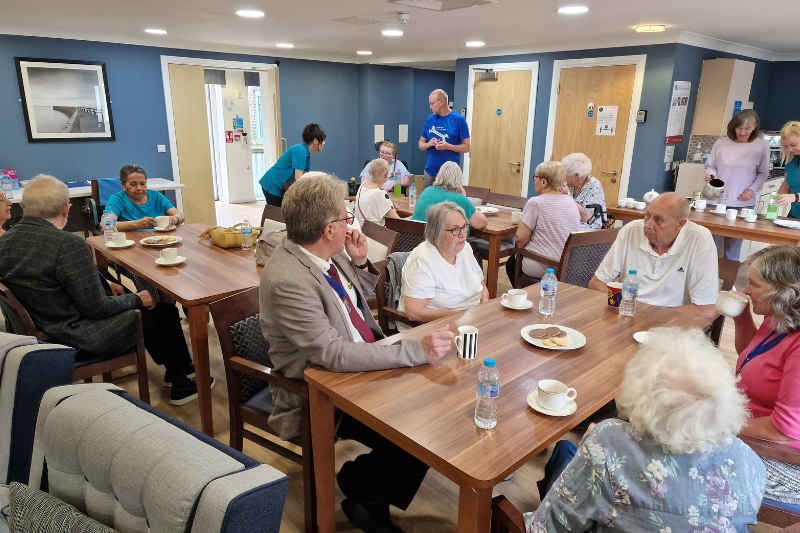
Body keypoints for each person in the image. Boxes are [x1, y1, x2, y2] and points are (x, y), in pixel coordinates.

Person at [259, 173, 454, 533]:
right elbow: (332, 355)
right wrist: (413, 351)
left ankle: (363, 484)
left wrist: (361, 262)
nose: (351, 223)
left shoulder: (321, 253)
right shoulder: (288, 278)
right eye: (345, 217)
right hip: (321, 390)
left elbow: (349, 303)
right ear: (328, 228)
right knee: (420, 431)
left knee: (437, 410)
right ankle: (367, 495)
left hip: (361, 360)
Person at [524, 327, 765, 532]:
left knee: (568, 455)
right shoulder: (750, 464)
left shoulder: (607, 443)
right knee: (568, 452)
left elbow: (546, 528)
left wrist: (596, 449)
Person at [0, 176, 205, 405]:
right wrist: (137, 298)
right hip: (72, 333)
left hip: (41, 324)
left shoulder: (5, 241)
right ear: (67, 210)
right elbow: (97, 308)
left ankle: (178, 371)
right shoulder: (67, 244)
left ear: (24, 206)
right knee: (159, 309)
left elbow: (47, 279)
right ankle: (180, 383)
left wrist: (106, 285)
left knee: (151, 308)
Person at [732, 245, 800, 512]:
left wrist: (721, 423)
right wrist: (740, 317)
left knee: (681, 459)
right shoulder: (780, 315)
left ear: (785, 292)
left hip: (785, 460)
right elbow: (752, 354)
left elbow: (784, 430)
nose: (746, 291)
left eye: (753, 284)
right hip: (753, 430)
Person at [588, 192, 718, 323]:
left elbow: (706, 312)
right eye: (647, 216)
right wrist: (631, 310)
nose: (648, 225)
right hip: (626, 317)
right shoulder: (631, 231)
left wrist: (648, 316)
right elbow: (596, 283)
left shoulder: (699, 240)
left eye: (658, 220)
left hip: (672, 323)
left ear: (680, 224)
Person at [398, 202, 488, 331]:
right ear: (436, 232)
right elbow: (414, 312)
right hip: (437, 329)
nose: (463, 234)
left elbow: (481, 285)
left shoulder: (465, 248)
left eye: (464, 227)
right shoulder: (424, 259)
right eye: (455, 229)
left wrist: (484, 306)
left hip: (472, 321)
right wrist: (462, 317)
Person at [704, 109, 770, 260]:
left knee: (733, 248)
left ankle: (727, 282)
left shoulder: (761, 147)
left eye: (747, 128)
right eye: (739, 128)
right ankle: (708, 280)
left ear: (755, 127)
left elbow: (763, 173)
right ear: (733, 126)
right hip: (716, 200)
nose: (743, 132)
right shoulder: (721, 143)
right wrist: (711, 174)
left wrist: (752, 190)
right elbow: (710, 165)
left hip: (743, 203)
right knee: (710, 246)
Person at [505, 161, 580, 283]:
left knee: (511, 264)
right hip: (567, 266)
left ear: (544, 182)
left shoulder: (536, 202)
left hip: (544, 266)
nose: (534, 181)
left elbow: (521, 238)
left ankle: (526, 298)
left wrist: (520, 252)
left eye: (536, 178)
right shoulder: (571, 202)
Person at [259, 123, 326, 207]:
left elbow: (305, 175)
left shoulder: (306, 153)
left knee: (283, 214)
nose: (324, 143)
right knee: (277, 215)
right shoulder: (300, 151)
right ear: (315, 141)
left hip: (278, 186)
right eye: (322, 140)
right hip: (272, 185)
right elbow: (298, 178)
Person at [105, 164, 185, 232]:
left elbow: (180, 215)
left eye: (143, 184)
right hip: (132, 242)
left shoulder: (156, 196)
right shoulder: (117, 199)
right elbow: (106, 224)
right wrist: (137, 224)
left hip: (158, 239)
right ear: (123, 185)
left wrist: (175, 219)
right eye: (133, 184)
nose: (139, 188)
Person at [411, 161, 487, 229]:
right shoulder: (459, 198)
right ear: (459, 179)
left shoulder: (426, 191)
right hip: (441, 243)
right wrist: (464, 198)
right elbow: (482, 223)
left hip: (416, 240)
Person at [418, 89, 470, 188]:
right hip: (431, 172)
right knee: (429, 202)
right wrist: (429, 144)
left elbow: (466, 147)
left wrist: (448, 146)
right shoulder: (430, 119)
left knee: (449, 203)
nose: (430, 107)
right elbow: (421, 144)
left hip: (450, 174)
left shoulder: (459, 120)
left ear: (441, 101)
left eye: (432, 103)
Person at [561, 152, 606, 230]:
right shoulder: (567, 183)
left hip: (587, 227)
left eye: (565, 174)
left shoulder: (594, 186)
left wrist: (567, 195)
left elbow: (586, 218)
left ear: (576, 176)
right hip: (567, 222)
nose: (562, 176)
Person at [354, 159, 400, 227]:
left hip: (360, 231)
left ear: (369, 172)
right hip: (373, 235)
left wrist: (388, 206)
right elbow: (398, 222)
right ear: (387, 174)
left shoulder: (362, 185)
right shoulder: (381, 194)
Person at [774, 121, 800, 219]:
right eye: (785, 146)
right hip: (794, 215)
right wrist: (776, 199)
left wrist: (795, 197)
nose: (789, 149)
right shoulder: (792, 160)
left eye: (793, 145)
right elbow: (787, 184)